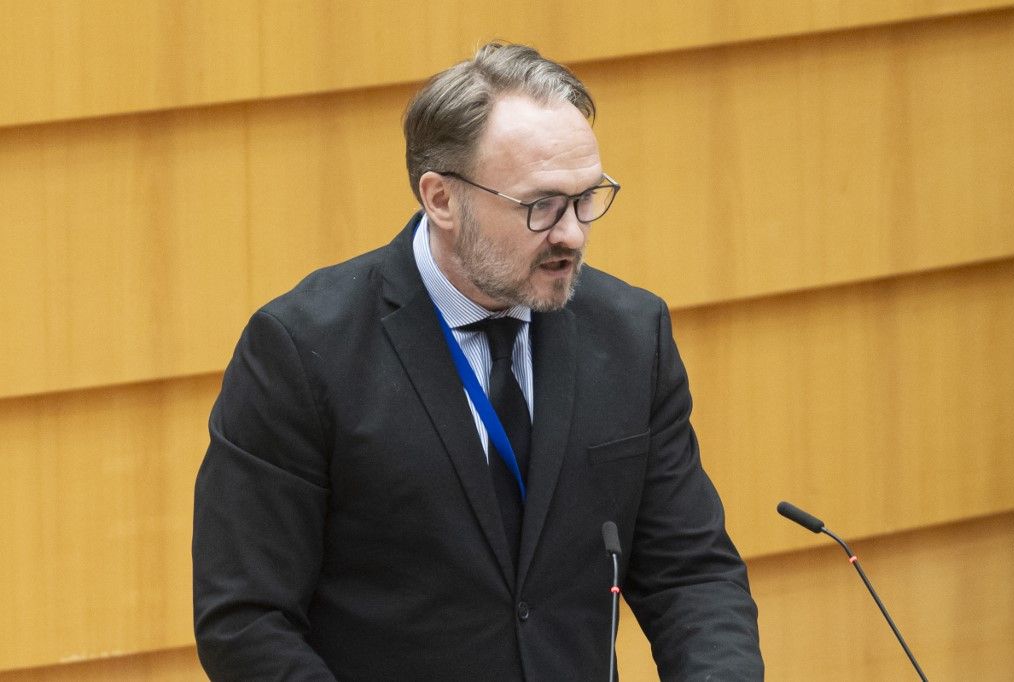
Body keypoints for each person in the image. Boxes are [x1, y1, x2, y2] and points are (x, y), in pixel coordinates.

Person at [193, 42, 763, 680]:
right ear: (440, 199)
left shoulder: (631, 335)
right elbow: (246, 620)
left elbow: (692, 576)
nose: (571, 233)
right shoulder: (302, 350)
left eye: (586, 198)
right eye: (539, 205)